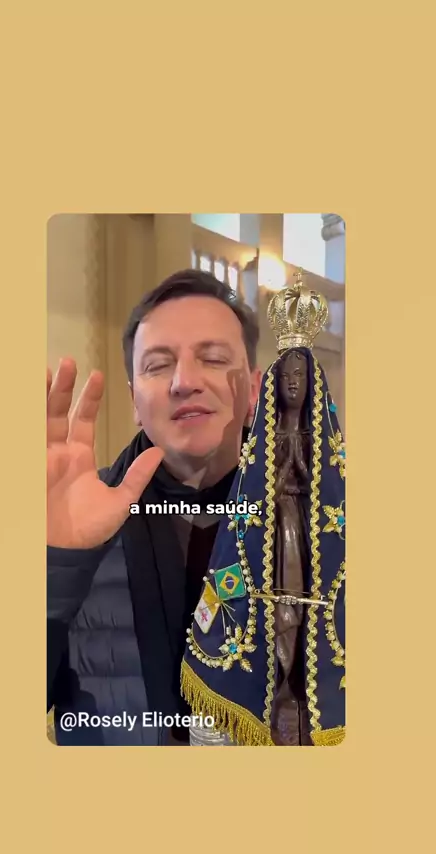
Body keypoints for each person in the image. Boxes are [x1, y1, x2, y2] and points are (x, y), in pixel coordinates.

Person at [47, 269, 262, 745]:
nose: (184, 381)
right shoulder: (72, 518)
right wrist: (54, 566)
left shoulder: (319, 524)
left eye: (213, 358)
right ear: (134, 401)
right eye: (158, 365)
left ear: (254, 389)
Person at [181, 271, 346, 746]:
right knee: (273, 595)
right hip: (276, 521)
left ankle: (299, 688)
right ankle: (271, 682)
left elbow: (320, 481)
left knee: (306, 596)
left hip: (306, 522)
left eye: (300, 379)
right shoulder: (263, 443)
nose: (293, 386)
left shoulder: (316, 437)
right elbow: (262, 483)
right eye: (286, 378)